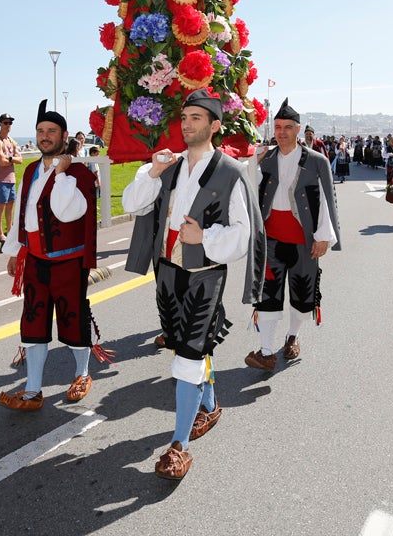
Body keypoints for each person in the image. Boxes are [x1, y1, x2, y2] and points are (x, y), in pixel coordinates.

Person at [122, 87, 265, 481]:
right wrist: (151, 172)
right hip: (166, 272)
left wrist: (205, 239)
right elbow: (132, 204)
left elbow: (243, 232)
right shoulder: (167, 165)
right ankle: (211, 404)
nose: (186, 125)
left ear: (215, 126)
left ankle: (179, 446)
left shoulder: (231, 173)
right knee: (187, 343)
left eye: (196, 119)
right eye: (184, 118)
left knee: (186, 356)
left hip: (204, 276)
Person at [0, 100, 100, 411]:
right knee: (34, 319)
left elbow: (64, 210)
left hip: (69, 261)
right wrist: (16, 251)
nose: (45, 136)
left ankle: (82, 373)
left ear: (64, 135)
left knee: (73, 317)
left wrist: (61, 173)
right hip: (35, 260)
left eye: (51, 131)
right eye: (41, 131)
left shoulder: (79, 174)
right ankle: (32, 390)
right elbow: (22, 212)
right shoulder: (30, 170)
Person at [247, 99, 339, 370]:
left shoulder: (316, 161)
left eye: (288, 127)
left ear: (298, 130)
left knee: (301, 293)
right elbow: (247, 187)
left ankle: (293, 337)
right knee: (268, 294)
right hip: (271, 241)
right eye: (277, 127)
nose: (282, 132)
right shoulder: (266, 158)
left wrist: (323, 236)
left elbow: (326, 199)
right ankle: (265, 352)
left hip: (304, 242)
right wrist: (255, 161)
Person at [0, 113, 23, 243]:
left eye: (10, 123)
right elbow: (2, 162)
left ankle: (10, 230)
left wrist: (9, 158)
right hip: (0, 179)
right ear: (0, 124)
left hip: (11, 178)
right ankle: (0, 233)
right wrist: (12, 159)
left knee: (10, 206)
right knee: (1, 206)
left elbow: (20, 160)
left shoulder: (11, 141)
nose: (8, 125)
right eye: (5, 123)